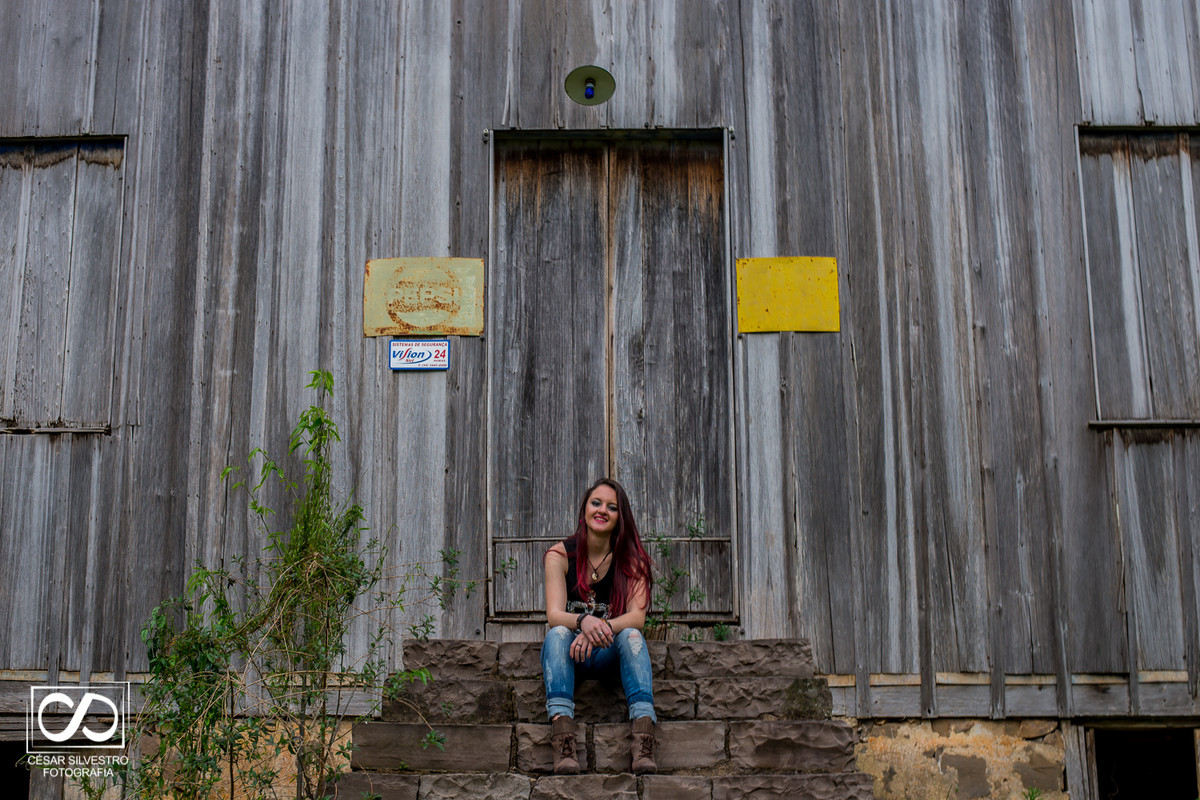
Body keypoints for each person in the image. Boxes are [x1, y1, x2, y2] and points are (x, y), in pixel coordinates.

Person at [541, 478, 657, 775]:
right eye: (596, 503)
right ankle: (563, 739)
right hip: (570, 654)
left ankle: (644, 739)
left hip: (608, 654)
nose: (602, 510)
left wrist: (597, 631)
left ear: (621, 517)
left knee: (632, 636)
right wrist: (583, 621)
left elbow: (636, 618)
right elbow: (554, 615)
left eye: (612, 507)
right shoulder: (559, 555)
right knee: (556, 634)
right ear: (585, 510)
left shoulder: (633, 561)